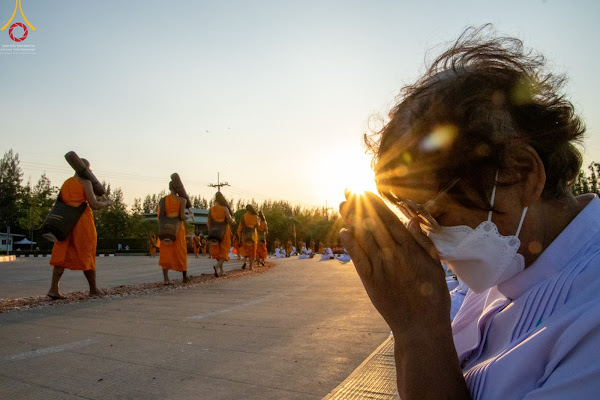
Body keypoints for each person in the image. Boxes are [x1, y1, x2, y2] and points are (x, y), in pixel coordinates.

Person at [339, 25, 600, 399]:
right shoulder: (503, 270)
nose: (431, 239)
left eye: (437, 215)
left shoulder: (590, 319)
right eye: (418, 220)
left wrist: (417, 328)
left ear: (521, 174)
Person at [47, 159, 113, 299]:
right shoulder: (86, 182)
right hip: (81, 222)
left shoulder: (67, 182)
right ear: (85, 170)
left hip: (65, 222)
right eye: (90, 170)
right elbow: (94, 204)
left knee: (62, 253)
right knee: (87, 252)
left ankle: (54, 288)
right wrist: (106, 203)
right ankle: (93, 289)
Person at [158, 180, 192, 285]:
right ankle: (184, 277)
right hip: (177, 228)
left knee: (166, 252)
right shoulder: (182, 200)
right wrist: (189, 216)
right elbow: (182, 216)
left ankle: (166, 279)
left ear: (169, 188)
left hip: (166, 228)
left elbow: (160, 216)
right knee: (181, 251)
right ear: (178, 189)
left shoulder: (163, 200)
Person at [207, 192, 234, 277]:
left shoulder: (211, 209)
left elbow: (208, 222)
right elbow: (229, 220)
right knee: (224, 251)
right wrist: (233, 220)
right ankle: (217, 266)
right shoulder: (224, 208)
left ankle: (222, 271)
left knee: (218, 251)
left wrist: (211, 230)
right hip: (224, 231)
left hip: (214, 231)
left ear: (215, 199)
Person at [238, 204, 259, 270]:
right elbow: (257, 226)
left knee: (245, 250)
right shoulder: (255, 216)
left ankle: (244, 262)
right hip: (253, 235)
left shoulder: (243, 216)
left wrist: (239, 236)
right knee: (252, 251)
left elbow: (240, 228)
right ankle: (250, 266)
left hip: (245, 235)